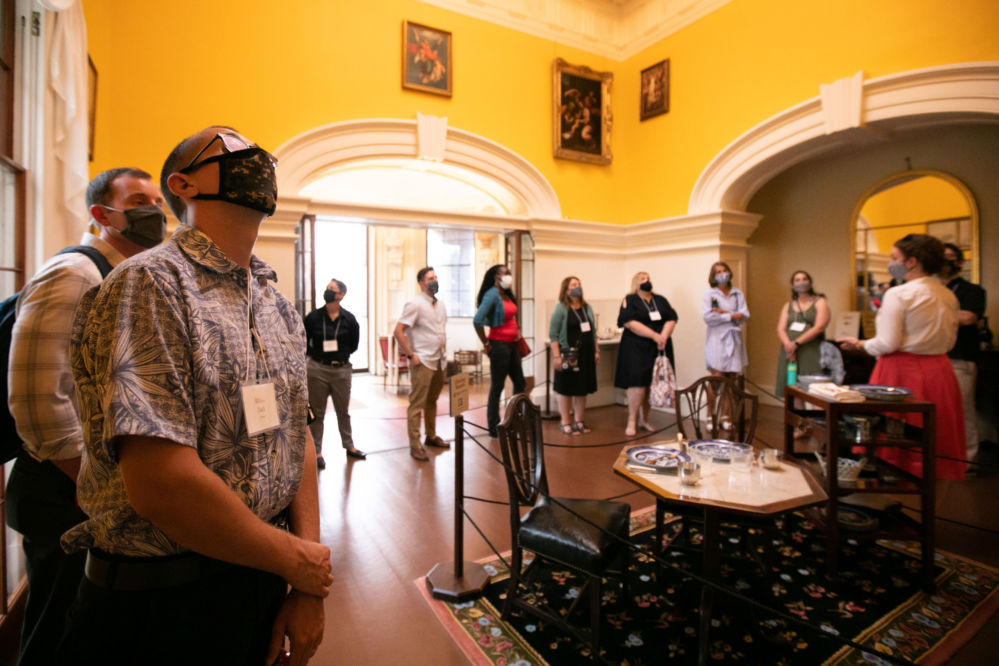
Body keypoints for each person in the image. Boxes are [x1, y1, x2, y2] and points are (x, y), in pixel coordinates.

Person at [57, 127, 330, 666]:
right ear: (183, 184)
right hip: (161, 601)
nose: (255, 156)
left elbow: (295, 434)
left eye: (255, 146)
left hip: (262, 576)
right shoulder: (151, 284)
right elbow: (162, 483)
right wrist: (300, 564)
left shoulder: (274, 303)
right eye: (229, 146)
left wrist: (305, 582)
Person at [5, 168, 166, 666]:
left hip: (93, 484)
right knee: (58, 631)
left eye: (159, 201)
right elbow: (37, 398)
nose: (156, 212)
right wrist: (91, 486)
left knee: (89, 627)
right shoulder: (76, 274)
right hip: (63, 487)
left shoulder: (126, 276)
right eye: (139, 200)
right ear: (102, 215)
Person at [839, 234, 965, 480]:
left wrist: (861, 344)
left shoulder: (899, 294)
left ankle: (890, 487)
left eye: (895, 258)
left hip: (899, 371)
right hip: (939, 369)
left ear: (912, 262)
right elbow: (950, 340)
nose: (891, 263)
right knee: (932, 436)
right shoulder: (948, 295)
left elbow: (888, 342)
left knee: (893, 437)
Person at [304, 278, 364, 468]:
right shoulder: (313, 317)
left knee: (343, 411)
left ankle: (349, 446)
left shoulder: (349, 319)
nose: (327, 291)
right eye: (327, 288)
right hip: (317, 369)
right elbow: (304, 342)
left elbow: (354, 345)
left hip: (341, 370)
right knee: (317, 413)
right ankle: (317, 452)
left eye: (332, 289)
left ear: (341, 295)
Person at [393, 266, 450, 461]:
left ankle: (431, 436)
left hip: (439, 360)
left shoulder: (440, 304)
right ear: (421, 283)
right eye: (429, 278)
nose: (434, 280)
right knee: (417, 404)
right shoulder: (415, 304)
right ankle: (415, 444)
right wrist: (410, 355)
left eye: (435, 277)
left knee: (432, 401)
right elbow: (398, 330)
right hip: (422, 360)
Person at [613, 271, 678, 437]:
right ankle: (632, 420)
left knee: (651, 383)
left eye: (648, 278)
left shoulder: (660, 300)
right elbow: (629, 322)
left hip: (659, 347)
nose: (646, 281)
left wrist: (663, 335)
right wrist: (654, 335)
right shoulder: (630, 300)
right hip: (636, 347)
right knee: (637, 383)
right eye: (643, 278)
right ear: (636, 283)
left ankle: (645, 419)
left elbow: (671, 318)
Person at [941, 243, 986, 466]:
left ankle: (969, 459)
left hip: (961, 356)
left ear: (959, 262)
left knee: (963, 408)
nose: (945, 262)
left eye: (950, 258)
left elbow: (968, 318)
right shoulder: (934, 291)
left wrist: (933, 313)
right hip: (934, 356)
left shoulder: (972, 291)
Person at [474, 265, 527, 437]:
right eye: (505, 273)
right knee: (497, 386)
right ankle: (493, 426)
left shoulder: (507, 294)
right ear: (496, 276)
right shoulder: (491, 295)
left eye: (509, 273)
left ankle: (514, 420)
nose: (508, 276)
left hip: (512, 344)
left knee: (520, 382)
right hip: (499, 345)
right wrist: (486, 343)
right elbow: (478, 320)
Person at [548, 276, 598, 435]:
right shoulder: (561, 308)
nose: (578, 287)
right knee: (566, 388)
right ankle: (565, 422)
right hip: (568, 354)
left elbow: (594, 332)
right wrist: (557, 356)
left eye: (579, 284)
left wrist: (596, 351)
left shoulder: (586, 307)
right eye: (574, 285)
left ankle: (579, 421)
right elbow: (553, 334)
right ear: (567, 290)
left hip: (586, 354)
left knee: (581, 389)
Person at [775, 270, 830, 398]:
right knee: (792, 388)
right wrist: (788, 345)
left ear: (810, 282)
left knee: (812, 389)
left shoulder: (820, 302)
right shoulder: (788, 305)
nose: (801, 282)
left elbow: (820, 326)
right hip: (789, 351)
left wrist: (797, 343)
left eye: (804, 279)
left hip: (811, 350)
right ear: (792, 285)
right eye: (797, 280)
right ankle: (796, 417)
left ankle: (812, 417)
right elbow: (780, 328)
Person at [703, 261, 750, 377]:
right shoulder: (709, 294)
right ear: (713, 276)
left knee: (732, 375)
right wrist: (732, 315)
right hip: (717, 337)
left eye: (724, 271)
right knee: (717, 376)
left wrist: (724, 313)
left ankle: (729, 396)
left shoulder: (737, 293)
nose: (722, 274)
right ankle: (712, 396)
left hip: (734, 335)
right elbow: (709, 317)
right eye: (718, 272)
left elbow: (744, 316)